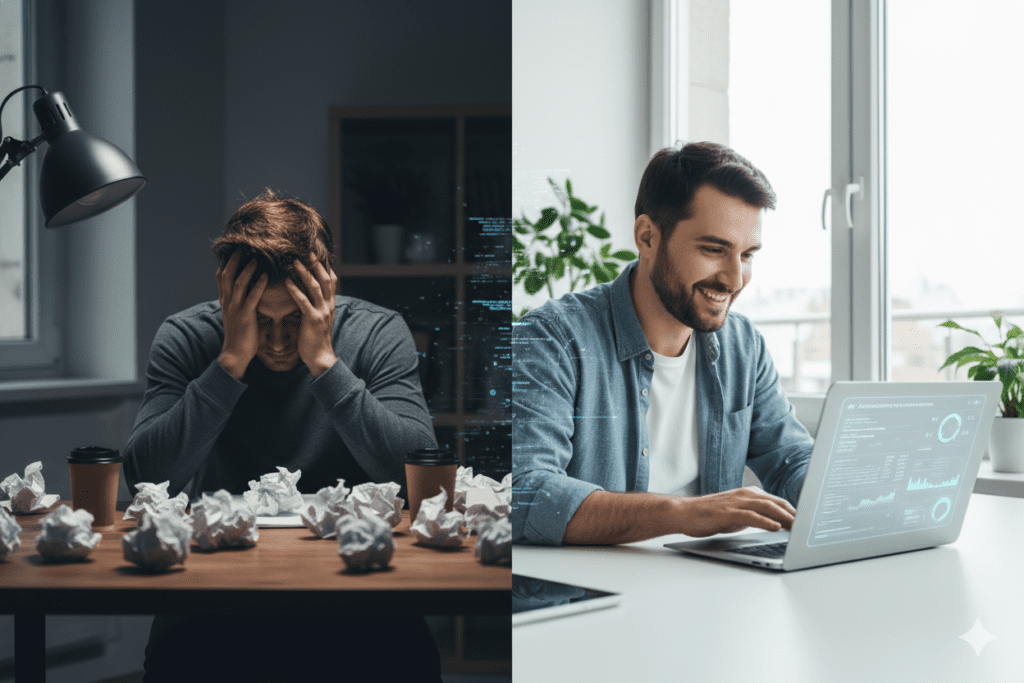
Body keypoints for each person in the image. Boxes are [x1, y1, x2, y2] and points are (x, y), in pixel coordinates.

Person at [123, 189, 442, 682]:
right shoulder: (187, 335)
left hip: (356, 575)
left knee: (407, 658)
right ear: (228, 295)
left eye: (292, 320)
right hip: (217, 581)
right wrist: (230, 360)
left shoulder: (379, 332)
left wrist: (324, 362)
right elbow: (146, 477)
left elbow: (413, 472)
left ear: (325, 291)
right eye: (258, 320)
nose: (274, 342)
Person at [512, 142, 813, 547]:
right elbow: (527, 493)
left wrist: (854, 491)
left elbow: (792, 460)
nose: (735, 279)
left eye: (747, 255)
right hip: (594, 595)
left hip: (709, 587)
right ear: (648, 237)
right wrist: (683, 514)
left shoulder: (744, 347)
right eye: (713, 249)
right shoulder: (553, 340)